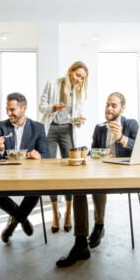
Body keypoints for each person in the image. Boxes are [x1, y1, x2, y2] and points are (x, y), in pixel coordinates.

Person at [56, 92, 139, 267]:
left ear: (122, 108)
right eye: (107, 104)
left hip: (124, 172)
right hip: (103, 170)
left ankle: (99, 225)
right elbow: (94, 153)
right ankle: (80, 242)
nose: (109, 108)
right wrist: (85, 155)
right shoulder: (100, 128)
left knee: (98, 183)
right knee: (79, 186)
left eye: (113, 105)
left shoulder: (130, 124)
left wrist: (122, 139)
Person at [0, 92, 49, 243]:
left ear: (24, 108)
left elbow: (46, 154)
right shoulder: (1, 127)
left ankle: (12, 223)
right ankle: (22, 219)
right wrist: (0, 148)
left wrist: (39, 155)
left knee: (35, 192)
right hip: (5, 174)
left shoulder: (38, 128)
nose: (9, 113)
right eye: (7, 110)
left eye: (12, 110)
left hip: (29, 174)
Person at [39, 61, 89, 233]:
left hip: (68, 129)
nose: (79, 80)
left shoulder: (79, 91)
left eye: (82, 78)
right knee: (50, 170)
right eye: (77, 75)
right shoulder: (52, 84)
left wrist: (79, 120)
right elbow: (41, 106)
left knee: (70, 170)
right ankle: (55, 213)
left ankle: (68, 212)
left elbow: (78, 114)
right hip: (51, 130)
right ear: (69, 71)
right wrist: (54, 107)